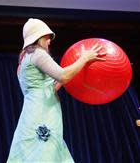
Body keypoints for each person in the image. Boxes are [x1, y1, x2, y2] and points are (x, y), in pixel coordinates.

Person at [7, 18, 106, 162]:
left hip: (33, 112)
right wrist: (84, 58)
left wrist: (77, 69)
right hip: (42, 112)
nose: (49, 41)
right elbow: (63, 76)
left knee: (37, 153)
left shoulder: (24, 59)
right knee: (44, 154)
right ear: (38, 37)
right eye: (47, 37)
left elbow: (51, 86)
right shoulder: (38, 54)